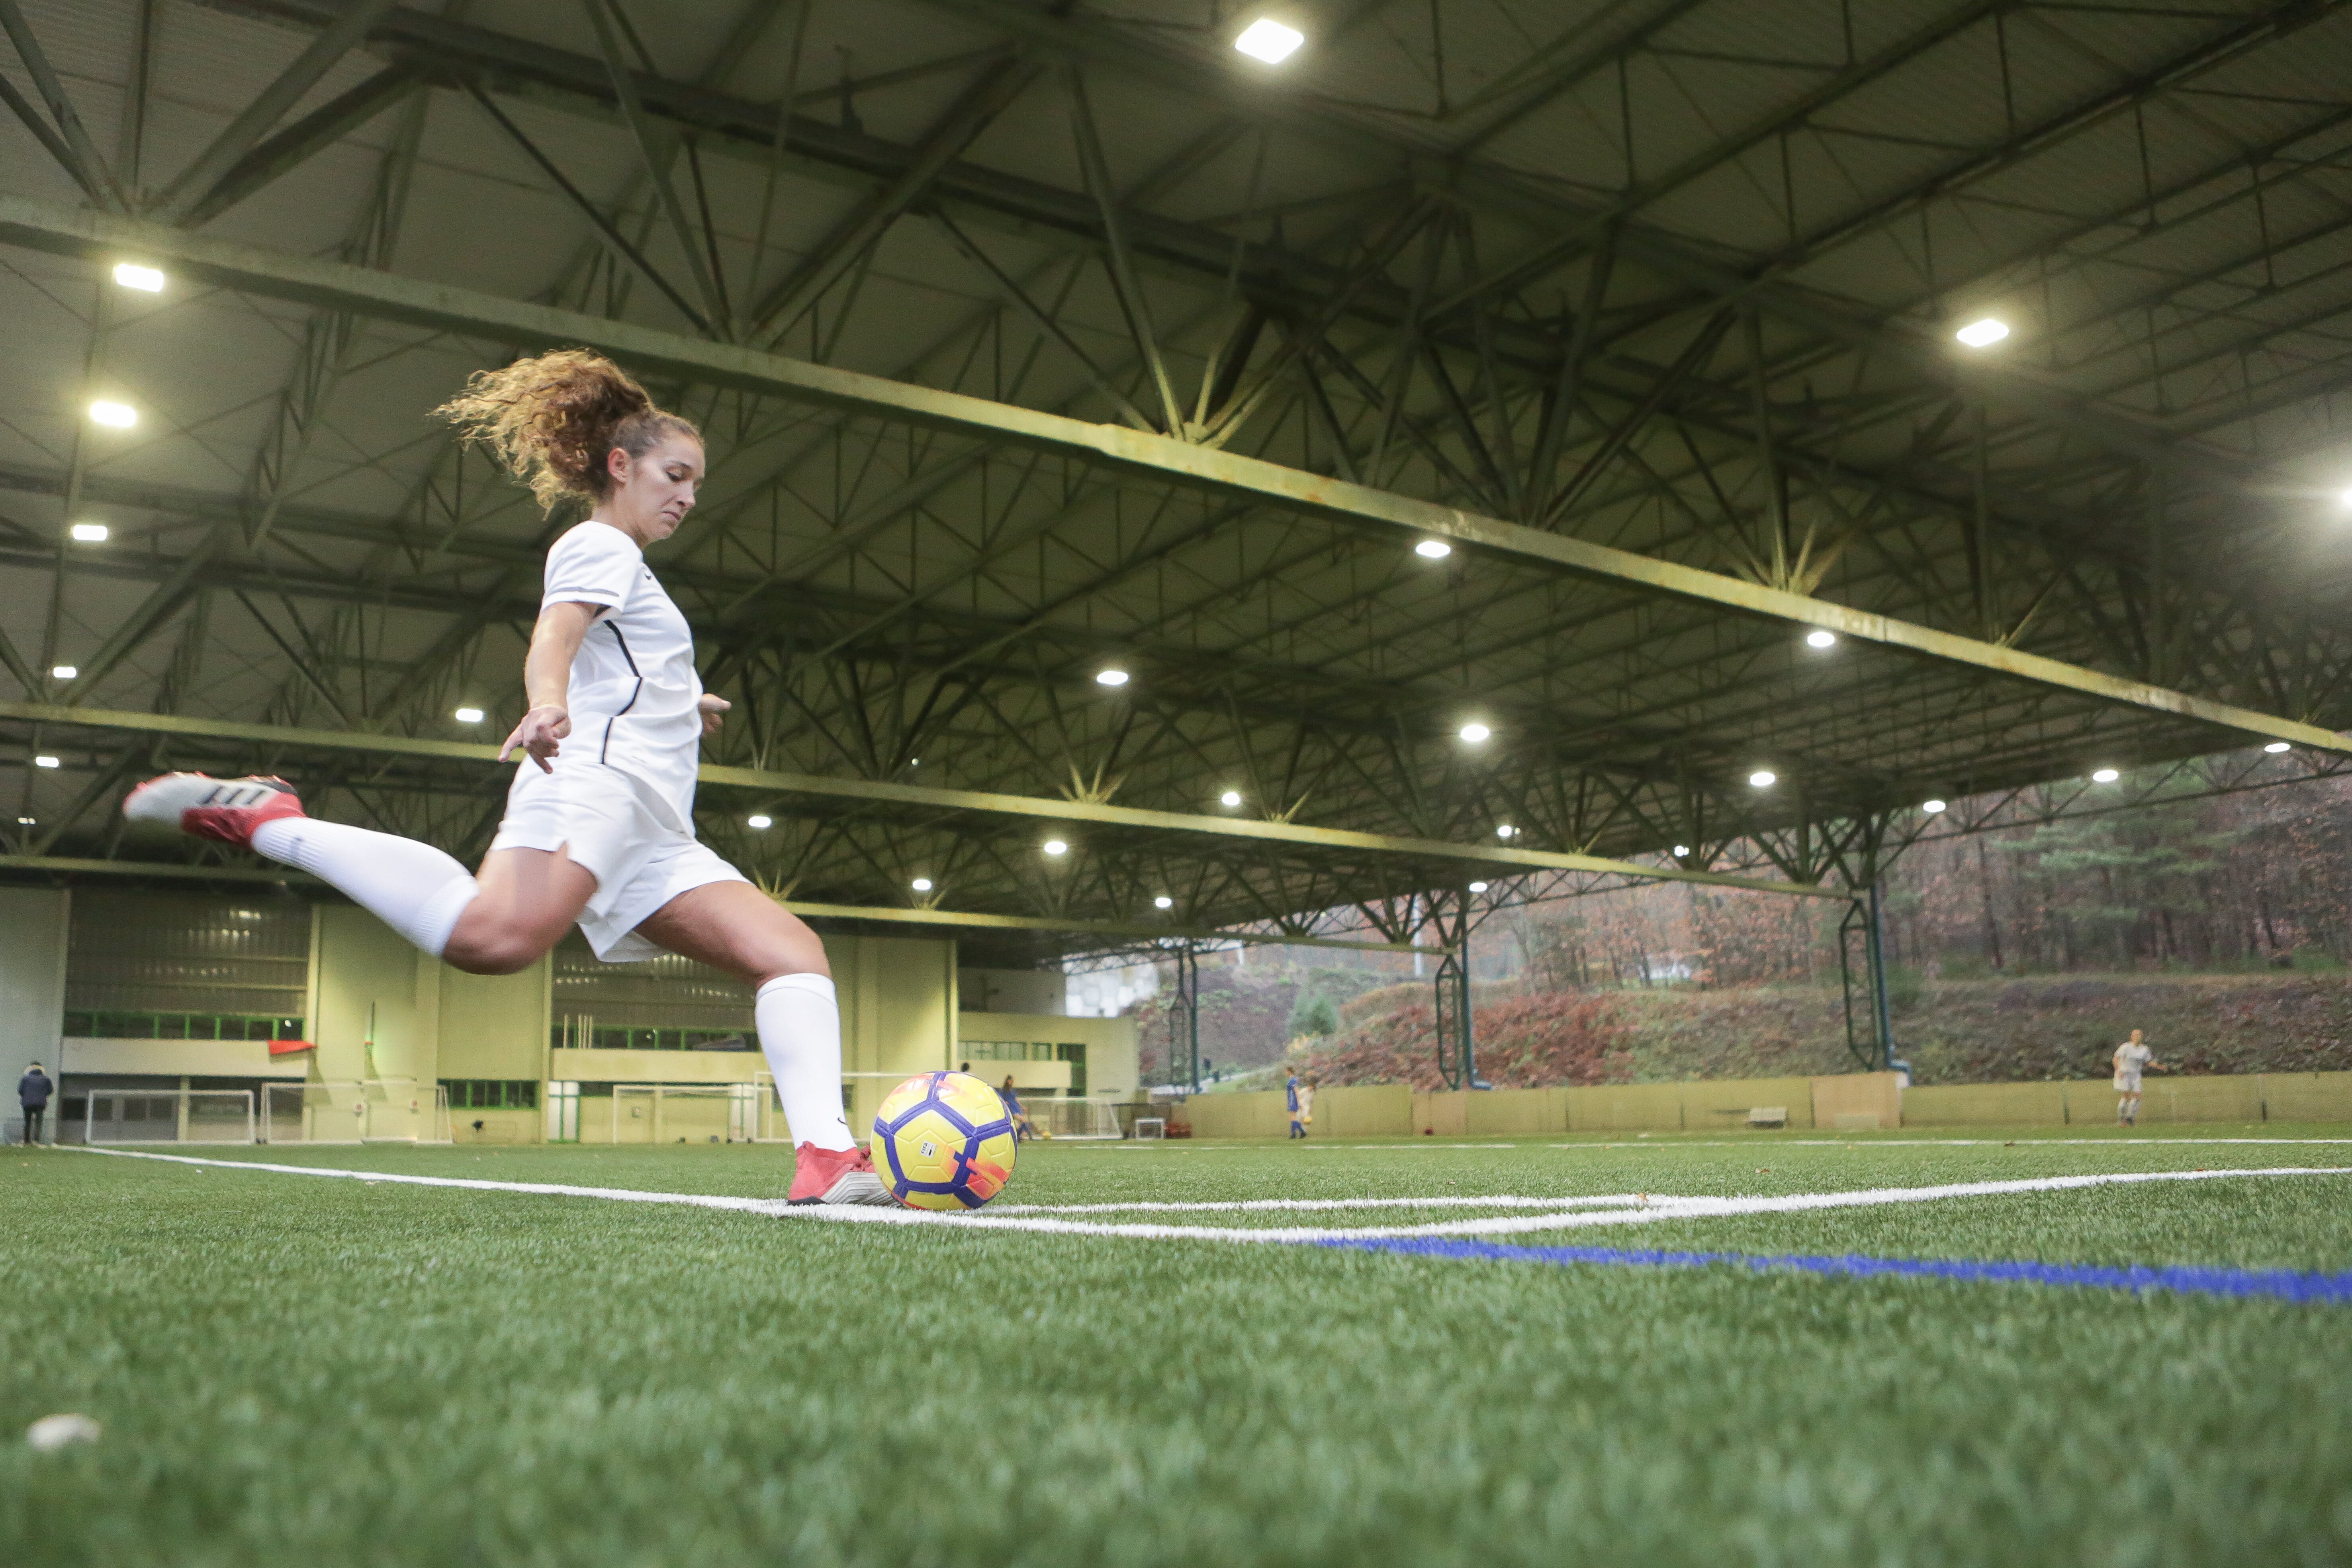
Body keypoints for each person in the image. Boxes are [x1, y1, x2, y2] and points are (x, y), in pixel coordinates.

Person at [123, 350, 889, 1206]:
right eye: (675, 476)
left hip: (654, 826)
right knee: (495, 942)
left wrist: (682, 700)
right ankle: (269, 819)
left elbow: (622, 657)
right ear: (620, 465)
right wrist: (546, 702)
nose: (687, 496)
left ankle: (827, 1159)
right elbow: (556, 635)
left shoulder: (631, 568)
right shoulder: (599, 542)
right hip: (594, 782)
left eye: (698, 485)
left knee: (790, 953)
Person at [2113, 1029, 2158, 1126]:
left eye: (2139, 1035)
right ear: (2131, 1037)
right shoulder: (2126, 1047)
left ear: (2142, 1037)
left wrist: (2158, 1066)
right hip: (2124, 1073)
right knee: (2126, 1096)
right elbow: (2116, 1058)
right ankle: (2122, 1119)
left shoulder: (2144, 1049)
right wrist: (2118, 1070)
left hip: (2136, 1074)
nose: (2137, 1037)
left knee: (2138, 1096)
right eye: (2135, 1035)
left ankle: (2130, 1117)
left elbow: (2147, 1062)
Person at [17, 1062, 51, 1147]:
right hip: (40, 1103)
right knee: (38, 1122)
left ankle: (26, 1141)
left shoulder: (25, 1079)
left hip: (27, 1103)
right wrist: (42, 1095)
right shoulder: (46, 1079)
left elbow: (21, 1091)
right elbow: (50, 1091)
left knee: (28, 1122)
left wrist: (27, 1097)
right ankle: (36, 1141)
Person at [1000, 1075, 1036, 1141]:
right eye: (1011, 1080)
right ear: (1008, 1081)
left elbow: (1016, 1100)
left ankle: (1018, 1137)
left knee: (1019, 1125)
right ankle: (1030, 1136)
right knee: (1022, 1120)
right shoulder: (1004, 1091)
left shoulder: (1013, 1090)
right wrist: (1005, 1103)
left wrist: (1022, 1107)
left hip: (1016, 1107)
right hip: (1011, 1109)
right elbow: (1001, 1099)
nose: (1012, 1082)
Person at [1286, 1071, 1304, 1139]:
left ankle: (1296, 1133)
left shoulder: (1293, 1080)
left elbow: (1296, 1091)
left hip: (1293, 1100)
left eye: (1286, 1071)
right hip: (1291, 1100)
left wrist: (1299, 1102)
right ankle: (1298, 1133)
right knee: (1293, 1117)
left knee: (1293, 1117)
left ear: (1290, 1072)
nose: (1286, 1073)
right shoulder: (1291, 1080)